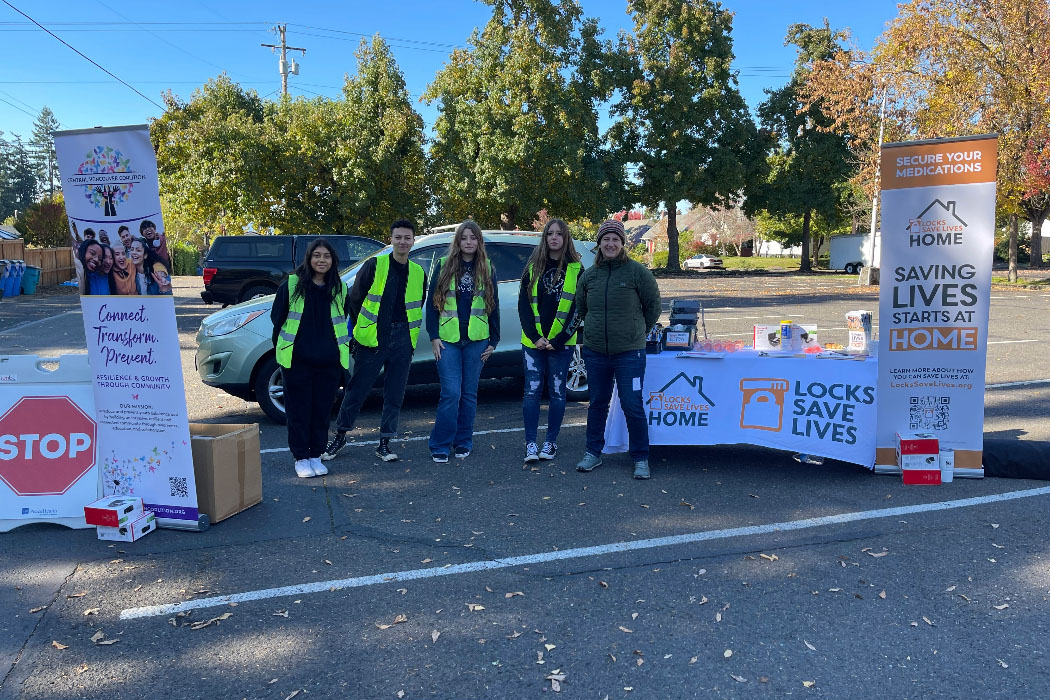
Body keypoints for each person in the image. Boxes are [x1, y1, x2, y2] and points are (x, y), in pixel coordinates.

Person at [322, 219, 428, 464]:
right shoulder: (374, 265)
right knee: (357, 391)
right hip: (372, 338)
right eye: (398, 237)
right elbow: (355, 301)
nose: (403, 242)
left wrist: (406, 339)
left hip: (403, 339)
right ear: (390, 239)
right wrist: (362, 333)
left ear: (413, 241)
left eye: (407, 238)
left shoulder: (418, 272)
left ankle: (385, 442)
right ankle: (340, 435)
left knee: (395, 393)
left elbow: (417, 305)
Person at [575, 219, 661, 480]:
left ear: (622, 243)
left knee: (632, 405)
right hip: (596, 352)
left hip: (629, 354)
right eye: (605, 239)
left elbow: (653, 308)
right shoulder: (589, 275)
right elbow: (582, 309)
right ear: (599, 244)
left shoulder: (638, 273)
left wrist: (637, 332)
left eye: (615, 239)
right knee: (597, 404)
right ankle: (593, 453)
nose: (610, 244)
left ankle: (640, 457)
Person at [271, 239, 351, 478]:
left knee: (321, 411)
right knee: (299, 411)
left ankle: (316, 455)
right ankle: (301, 458)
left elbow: (341, 319)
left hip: (329, 363)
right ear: (308, 259)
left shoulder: (339, 288)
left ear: (333, 261)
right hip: (297, 362)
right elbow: (278, 319)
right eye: (317, 255)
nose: (321, 260)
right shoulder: (292, 284)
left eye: (326, 256)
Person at [425, 220, 500, 463]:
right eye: (464, 238)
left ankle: (463, 442)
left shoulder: (487, 267)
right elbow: (432, 305)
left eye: (473, 238)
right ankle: (440, 444)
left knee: (469, 394)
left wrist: (494, 340)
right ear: (458, 241)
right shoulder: (443, 265)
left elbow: (493, 306)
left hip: (477, 340)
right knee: (451, 393)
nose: (469, 242)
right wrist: (433, 336)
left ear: (479, 242)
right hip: (448, 341)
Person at [518, 218, 582, 463]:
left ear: (566, 239)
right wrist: (536, 338)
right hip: (533, 343)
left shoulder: (576, 269)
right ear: (544, 238)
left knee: (557, 393)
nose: (554, 238)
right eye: (550, 234)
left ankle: (551, 442)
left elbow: (579, 309)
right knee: (532, 393)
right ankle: (531, 444)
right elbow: (523, 306)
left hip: (561, 344)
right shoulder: (532, 267)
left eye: (559, 234)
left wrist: (560, 338)